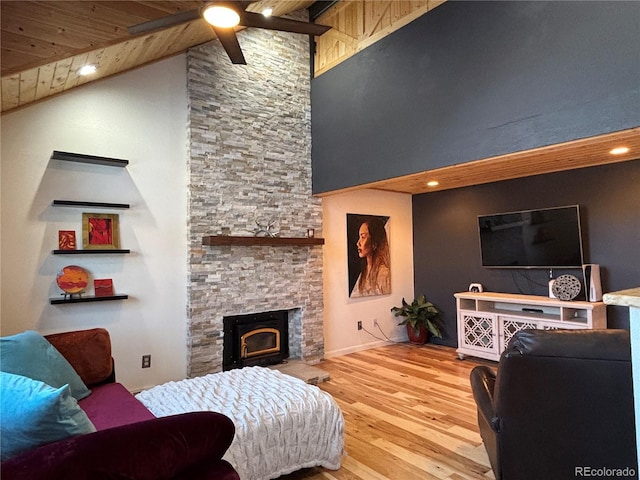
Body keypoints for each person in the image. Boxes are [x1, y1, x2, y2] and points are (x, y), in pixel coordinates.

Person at [350, 217, 391, 297]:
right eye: (359, 237)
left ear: (374, 242)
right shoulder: (364, 273)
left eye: (363, 237)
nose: (358, 243)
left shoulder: (384, 274)